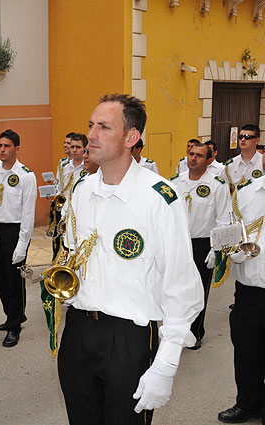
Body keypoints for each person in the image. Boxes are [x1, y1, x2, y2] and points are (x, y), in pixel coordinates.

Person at [57, 94, 203, 425]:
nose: (91, 134)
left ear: (130, 137)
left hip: (128, 338)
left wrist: (165, 365)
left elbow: (181, 285)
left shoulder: (159, 198)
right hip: (78, 329)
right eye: (90, 125)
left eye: (104, 127)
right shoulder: (82, 190)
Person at [217, 152, 265, 425]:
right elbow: (227, 226)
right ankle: (247, 404)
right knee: (246, 352)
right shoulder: (246, 194)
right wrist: (230, 250)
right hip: (249, 290)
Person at [171, 142, 230, 350]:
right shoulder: (176, 183)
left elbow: (224, 219)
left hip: (202, 244)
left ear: (208, 160)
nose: (193, 158)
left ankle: (195, 332)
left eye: (198, 155)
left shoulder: (217, 185)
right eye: (190, 154)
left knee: (198, 291)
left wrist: (217, 249)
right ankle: (177, 330)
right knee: (176, 288)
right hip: (178, 242)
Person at [0, 129, 37, 347]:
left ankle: (15, 326)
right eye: (0, 146)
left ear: (16, 149)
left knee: (14, 281)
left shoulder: (26, 175)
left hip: (15, 232)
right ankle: (11, 316)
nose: (2, 150)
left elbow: (28, 213)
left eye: (7, 146)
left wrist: (22, 245)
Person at [223, 124, 264, 193]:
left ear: (257, 140)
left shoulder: (263, 162)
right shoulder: (231, 164)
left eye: (248, 137)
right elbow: (225, 190)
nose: (243, 139)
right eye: (240, 137)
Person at [59, 133, 87, 198]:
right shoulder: (64, 168)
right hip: (66, 207)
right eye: (72, 147)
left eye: (78, 147)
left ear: (85, 149)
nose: (74, 150)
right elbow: (60, 189)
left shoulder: (88, 169)